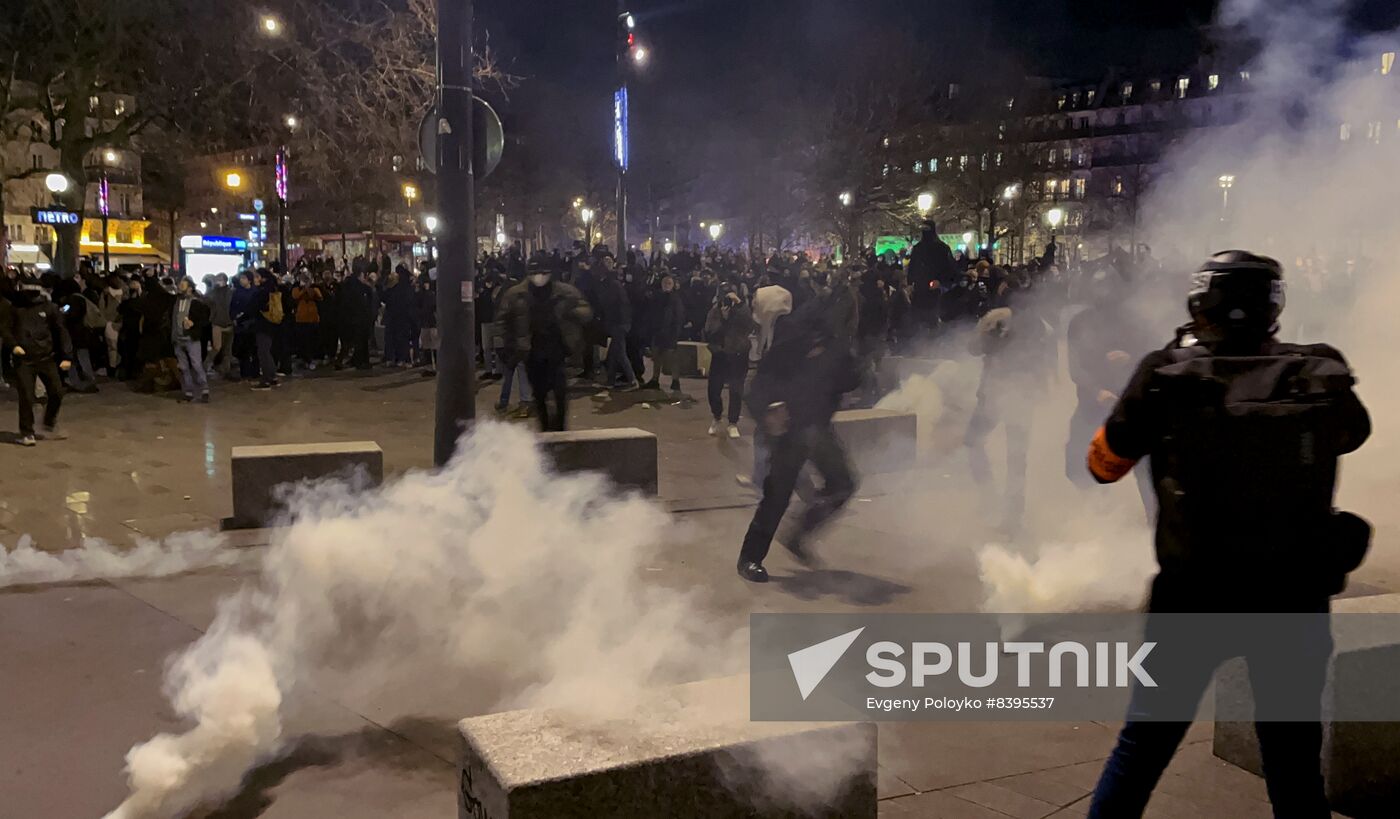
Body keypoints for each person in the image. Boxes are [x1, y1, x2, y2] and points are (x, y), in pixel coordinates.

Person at [1085, 251, 1372, 818]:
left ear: (1201, 302)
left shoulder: (1165, 373)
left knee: (1142, 748)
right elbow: (1353, 434)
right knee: (1292, 762)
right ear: (1274, 306)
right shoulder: (1316, 372)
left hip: (1193, 595)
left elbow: (1103, 464)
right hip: (1293, 597)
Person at [736, 301, 860, 582]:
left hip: (817, 428)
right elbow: (758, 388)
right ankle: (750, 558)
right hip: (788, 429)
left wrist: (849, 359)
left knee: (843, 483)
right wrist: (769, 411)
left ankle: (799, 534)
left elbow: (850, 380)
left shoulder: (836, 346)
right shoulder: (791, 342)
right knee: (777, 495)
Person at [964, 282, 1056, 534]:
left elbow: (973, 348)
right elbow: (1049, 363)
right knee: (1017, 457)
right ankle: (1013, 514)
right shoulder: (1043, 327)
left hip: (995, 393)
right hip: (1025, 396)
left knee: (972, 441)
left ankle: (988, 496)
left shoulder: (999, 319)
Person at [494, 259, 592, 431]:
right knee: (539, 395)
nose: (540, 277)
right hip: (532, 353)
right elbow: (502, 320)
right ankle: (545, 429)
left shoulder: (564, 292)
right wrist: (506, 346)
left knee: (560, 393)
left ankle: (560, 429)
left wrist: (571, 313)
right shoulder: (516, 294)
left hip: (557, 351)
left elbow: (585, 311)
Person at [1, 278, 73, 445]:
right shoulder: (15, 309)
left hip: (46, 358)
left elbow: (61, 332)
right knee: (26, 395)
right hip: (24, 359)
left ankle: (49, 422)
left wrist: (66, 356)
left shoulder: (50, 308)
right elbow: (5, 329)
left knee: (56, 391)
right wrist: (14, 345)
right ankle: (27, 432)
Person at [704, 286, 755, 438]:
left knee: (736, 389)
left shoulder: (741, 310)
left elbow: (749, 325)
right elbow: (709, 331)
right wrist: (724, 320)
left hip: (738, 354)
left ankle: (733, 422)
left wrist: (739, 304)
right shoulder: (715, 312)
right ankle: (717, 417)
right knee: (714, 389)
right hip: (720, 354)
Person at [595, 255, 637, 389]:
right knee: (614, 352)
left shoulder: (612, 285)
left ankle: (632, 380)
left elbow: (611, 304)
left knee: (620, 352)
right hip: (619, 322)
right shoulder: (614, 283)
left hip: (618, 323)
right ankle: (611, 380)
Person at [906, 220, 954, 335]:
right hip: (919, 291)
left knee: (933, 321)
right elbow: (912, 267)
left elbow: (949, 270)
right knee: (918, 322)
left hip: (936, 293)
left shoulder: (942, 248)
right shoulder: (918, 248)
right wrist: (910, 283)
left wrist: (940, 282)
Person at [171, 277, 211, 402]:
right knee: (183, 367)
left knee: (196, 364)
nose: (179, 286)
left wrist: (193, 323)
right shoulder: (176, 301)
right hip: (178, 338)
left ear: (189, 288)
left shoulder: (196, 303)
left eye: (183, 284)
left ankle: (204, 389)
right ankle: (188, 391)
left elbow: (205, 319)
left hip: (191, 338)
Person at [646, 274, 685, 392]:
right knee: (656, 356)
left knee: (671, 357)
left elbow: (678, 316)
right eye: (665, 283)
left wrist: (676, 332)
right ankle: (655, 379)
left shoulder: (675, 298)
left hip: (670, 332)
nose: (666, 285)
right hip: (658, 331)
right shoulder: (657, 296)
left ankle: (675, 381)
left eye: (669, 283)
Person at [251, 269, 283, 390]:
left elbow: (254, 306)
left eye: (257, 276)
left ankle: (266, 380)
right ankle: (272, 377)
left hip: (263, 324)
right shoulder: (274, 289)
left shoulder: (262, 291)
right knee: (267, 351)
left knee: (263, 352)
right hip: (272, 324)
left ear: (262, 277)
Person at [291, 274, 323, 371]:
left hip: (312, 318)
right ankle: (304, 359)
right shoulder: (296, 289)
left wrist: (309, 288)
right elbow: (295, 296)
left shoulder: (315, 289)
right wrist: (303, 289)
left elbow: (319, 297)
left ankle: (311, 359)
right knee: (302, 341)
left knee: (312, 340)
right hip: (301, 319)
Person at [205, 274, 234, 378]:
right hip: (221, 322)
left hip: (223, 322)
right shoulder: (228, 292)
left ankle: (226, 370)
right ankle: (206, 367)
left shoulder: (217, 293)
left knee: (225, 349)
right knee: (218, 347)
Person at [415, 275, 439, 376]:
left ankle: (431, 368)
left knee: (429, 346)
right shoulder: (431, 295)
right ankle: (435, 367)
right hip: (431, 323)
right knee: (432, 346)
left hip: (428, 323)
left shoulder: (424, 295)